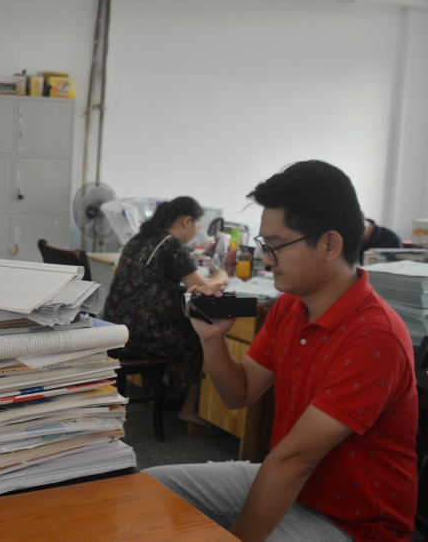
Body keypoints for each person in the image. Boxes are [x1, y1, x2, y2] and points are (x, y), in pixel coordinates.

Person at [145, 161, 418, 541]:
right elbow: (238, 394)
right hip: (294, 484)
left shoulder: (375, 337)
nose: (267, 259)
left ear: (330, 244)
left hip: (354, 525)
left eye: (276, 246)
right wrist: (212, 339)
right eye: (264, 245)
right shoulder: (290, 305)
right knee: (148, 490)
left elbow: (296, 460)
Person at [102, 196, 228, 433]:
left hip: (114, 330)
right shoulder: (171, 245)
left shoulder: (140, 238)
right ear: (187, 221)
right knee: (196, 339)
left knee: (174, 328)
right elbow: (205, 290)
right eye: (198, 227)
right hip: (140, 336)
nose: (197, 234)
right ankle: (187, 409)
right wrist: (222, 275)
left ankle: (162, 396)